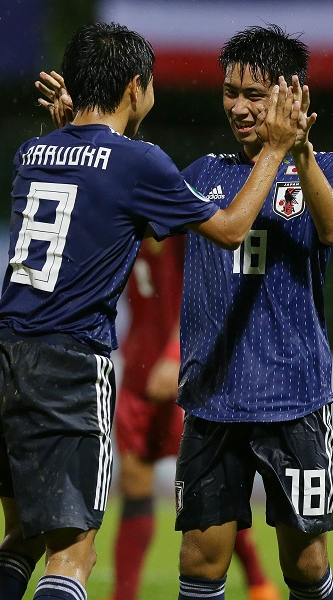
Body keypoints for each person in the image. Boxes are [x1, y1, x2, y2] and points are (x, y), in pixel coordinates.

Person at [0, 22, 299, 600]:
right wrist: (274, 150)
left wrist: (76, 124)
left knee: (18, 535)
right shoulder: (140, 163)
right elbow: (227, 230)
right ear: (135, 87)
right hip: (68, 362)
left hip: (2, 354)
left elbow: (85, 169)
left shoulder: (33, 152)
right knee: (72, 553)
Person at [36, 24, 333, 600]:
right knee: (200, 561)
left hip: (295, 399)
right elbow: (129, 200)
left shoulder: (329, 167)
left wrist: (297, 150)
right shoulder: (203, 173)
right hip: (211, 401)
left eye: (254, 95)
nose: (237, 106)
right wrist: (80, 136)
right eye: (230, 91)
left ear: (291, 96)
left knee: (305, 564)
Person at [108, 236, 280, 600]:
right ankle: (123, 595)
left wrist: (175, 354)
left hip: (188, 368)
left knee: (207, 491)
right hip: (139, 367)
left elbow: (204, 288)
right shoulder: (127, 211)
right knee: (134, 480)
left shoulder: (181, 218)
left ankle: (258, 581)